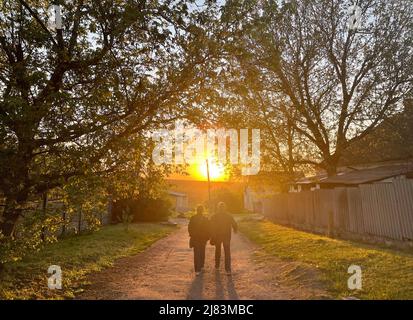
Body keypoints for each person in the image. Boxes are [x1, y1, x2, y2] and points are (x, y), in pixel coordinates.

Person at [210, 202, 238, 275]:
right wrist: (235, 229)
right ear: (224, 208)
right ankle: (228, 269)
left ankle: (217, 266)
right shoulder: (228, 216)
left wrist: (212, 235)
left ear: (218, 208)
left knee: (218, 250)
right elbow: (234, 223)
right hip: (226, 236)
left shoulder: (215, 216)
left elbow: (211, 225)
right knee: (227, 252)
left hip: (218, 236)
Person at [188, 205, 210, 275]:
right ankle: (201, 266)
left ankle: (197, 269)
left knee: (197, 253)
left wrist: (191, 234)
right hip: (203, 238)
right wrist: (208, 237)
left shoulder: (193, 218)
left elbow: (189, 227)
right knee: (202, 252)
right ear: (202, 211)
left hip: (195, 238)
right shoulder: (205, 218)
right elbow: (208, 229)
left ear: (197, 210)